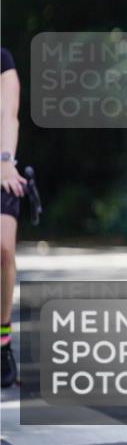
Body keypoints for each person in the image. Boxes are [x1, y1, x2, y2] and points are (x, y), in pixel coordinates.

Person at [1, 46, 26, 388]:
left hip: (1, 167)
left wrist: (5, 159)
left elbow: (9, 111)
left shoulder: (2, 59)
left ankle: (2, 335)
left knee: (3, 249)